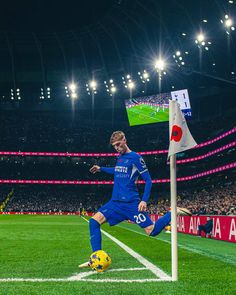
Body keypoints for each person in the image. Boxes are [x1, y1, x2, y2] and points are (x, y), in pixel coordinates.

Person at [79, 131, 191, 268]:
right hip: (115, 203)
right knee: (93, 222)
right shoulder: (119, 157)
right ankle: (96, 258)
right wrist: (100, 168)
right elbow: (117, 170)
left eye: (119, 144)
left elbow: (148, 181)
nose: (117, 148)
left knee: (152, 231)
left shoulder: (136, 158)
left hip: (132, 204)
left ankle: (173, 213)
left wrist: (144, 200)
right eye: (114, 146)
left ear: (125, 140)